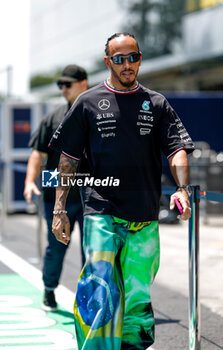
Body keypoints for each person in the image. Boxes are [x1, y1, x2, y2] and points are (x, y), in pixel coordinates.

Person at [50, 33, 194, 349]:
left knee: (137, 296)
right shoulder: (87, 102)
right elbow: (68, 158)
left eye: (133, 57)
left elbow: (176, 149)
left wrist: (182, 188)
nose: (127, 64)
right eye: (119, 58)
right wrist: (60, 209)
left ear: (140, 58)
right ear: (108, 62)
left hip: (144, 215)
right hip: (101, 211)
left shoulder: (157, 103)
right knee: (99, 287)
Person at [24, 64, 88, 312]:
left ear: (83, 83)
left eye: (67, 84)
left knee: (92, 251)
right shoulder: (53, 118)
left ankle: (88, 300)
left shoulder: (99, 114)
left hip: (90, 195)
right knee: (56, 249)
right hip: (55, 196)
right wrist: (30, 181)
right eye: (60, 84)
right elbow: (37, 155)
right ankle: (49, 289)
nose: (63, 88)